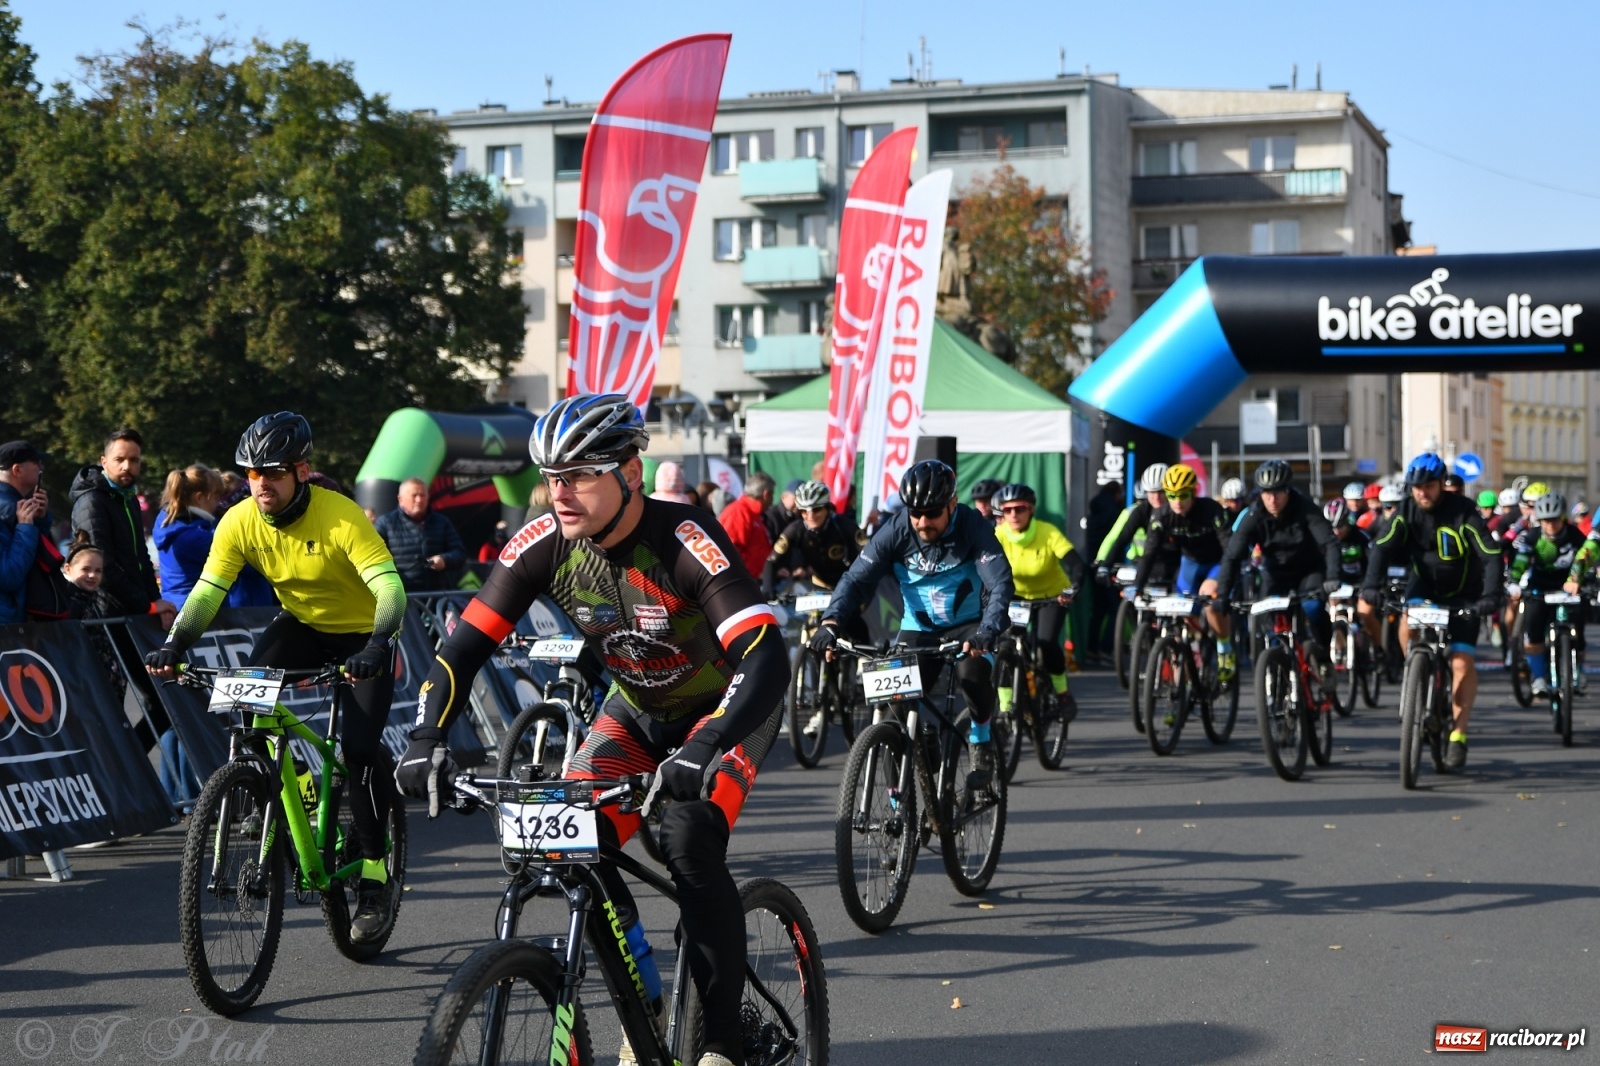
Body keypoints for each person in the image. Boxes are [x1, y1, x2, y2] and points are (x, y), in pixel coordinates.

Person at [395, 394, 787, 1066]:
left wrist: (703, 746)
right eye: (551, 477)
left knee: (689, 841)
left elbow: (766, 656)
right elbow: (461, 650)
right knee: (574, 840)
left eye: (578, 475)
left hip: (721, 715)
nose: (559, 493)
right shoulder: (543, 543)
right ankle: (648, 1014)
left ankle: (720, 1041)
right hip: (635, 707)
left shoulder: (684, 538)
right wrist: (426, 739)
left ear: (630, 473)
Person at [145, 411, 406, 943]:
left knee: (358, 752)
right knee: (250, 701)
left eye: (273, 472)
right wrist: (176, 644)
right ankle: (289, 795)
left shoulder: (340, 516)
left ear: (301, 471)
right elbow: (210, 590)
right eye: (252, 473)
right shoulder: (238, 519)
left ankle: (375, 876)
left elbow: (390, 589)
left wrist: (378, 645)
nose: (260, 483)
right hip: (303, 626)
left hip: (363, 634)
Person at [812, 459, 1014, 784]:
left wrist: (988, 631)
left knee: (972, 674)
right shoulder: (896, 529)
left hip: (970, 625)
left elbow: (999, 582)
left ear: (952, 504)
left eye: (932, 513)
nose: (922, 522)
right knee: (896, 703)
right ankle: (911, 765)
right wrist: (831, 621)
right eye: (915, 512)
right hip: (919, 628)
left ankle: (981, 737)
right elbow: (855, 580)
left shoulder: (972, 526)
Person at [1362, 452, 1501, 769]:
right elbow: (1382, 547)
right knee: (1406, 624)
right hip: (1424, 587)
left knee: (1462, 663)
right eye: (1416, 487)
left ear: (1441, 484)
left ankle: (1458, 735)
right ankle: (1416, 672)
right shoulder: (1406, 510)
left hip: (1465, 594)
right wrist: (1370, 586)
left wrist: (1491, 595)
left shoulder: (1463, 512)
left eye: (1428, 486)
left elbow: (1491, 555)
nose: (1422, 493)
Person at [1216, 460, 1341, 656]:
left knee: (1313, 607)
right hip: (1275, 573)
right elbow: (1232, 556)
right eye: (1267, 493)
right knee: (1267, 616)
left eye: (1278, 492)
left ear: (1288, 490)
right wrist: (1223, 594)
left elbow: (1329, 543)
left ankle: (1324, 655)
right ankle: (1276, 660)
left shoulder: (1306, 509)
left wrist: (1333, 576)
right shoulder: (1253, 515)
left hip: (1308, 570)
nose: (1272, 500)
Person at [69, 428, 176, 625]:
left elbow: (141, 558)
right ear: (104, 462)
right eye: (119, 459)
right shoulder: (91, 502)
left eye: (134, 460)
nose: (127, 466)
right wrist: (146, 605)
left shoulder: (128, 498)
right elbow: (103, 566)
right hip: (108, 616)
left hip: (134, 612)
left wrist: (155, 601)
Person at [1136, 465, 1235, 676]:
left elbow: (1230, 550)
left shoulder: (1211, 510)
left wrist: (1225, 585)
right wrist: (1138, 586)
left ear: (1194, 491)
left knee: (1209, 599)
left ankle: (1225, 649)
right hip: (1189, 565)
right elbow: (1149, 554)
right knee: (1179, 622)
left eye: (1183, 495)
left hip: (1215, 563)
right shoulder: (1162, 515)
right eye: (1171, 495)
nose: (1177, 501)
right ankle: (1181, 688)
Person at [992, 482, 1083, 709]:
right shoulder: (998, 534)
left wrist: (1072, 589)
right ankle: (1005, 708)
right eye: (1007, 510)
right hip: (1015, 599)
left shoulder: (1047, 532)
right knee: (1005, 647)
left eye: (1020, 508)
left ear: (1031, 509)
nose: (1013, 515)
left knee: (1046, 644)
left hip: (1051, 596)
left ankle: (1062, 692)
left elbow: (1076, 564)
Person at [1508, 492, 1596, 698]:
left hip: (1570, 586)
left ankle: (1578, 671)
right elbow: (1521, 559)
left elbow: (1589, 558)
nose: (1550, 525)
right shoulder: (1533, 537)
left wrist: (1589, 579)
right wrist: (1513, 580)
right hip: (1541, 587)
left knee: (1579, 630)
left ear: (1563, 518)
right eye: (1545, 521)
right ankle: (1538, 677)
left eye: (1554, 520)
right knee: (1534, 630)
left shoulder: (1575, 535)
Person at [152, 465, 227, 610]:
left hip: (178, 605)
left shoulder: (170, 525)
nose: (219, 504)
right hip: (198, 612)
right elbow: (246, 563)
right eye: (216, 497)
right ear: (200, 498)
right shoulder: (193, 538)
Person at [374, 478, 467, 593]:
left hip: (437, 596)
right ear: (400, 499)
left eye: (423, 495)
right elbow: (373, 558)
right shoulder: (385, 523)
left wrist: (444, 560)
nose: (419, 500)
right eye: (414, 495)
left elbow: (460, 554)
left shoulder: (442, 522)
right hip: (402, 596)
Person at [0, 440, 50, 624]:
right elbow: (8, 575)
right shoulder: (6, 510)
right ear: (17, 470)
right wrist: (26, 528)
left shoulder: (17, 507)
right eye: (36, 462)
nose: (41, 468)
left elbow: (36, 561)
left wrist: (41, 520)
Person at [1094, 463, 1168, 582]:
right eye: (1151, 492)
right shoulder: (1137, 511)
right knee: (1130, 595)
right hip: (1140, 561)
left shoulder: (1177, 510)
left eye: (1161, 492)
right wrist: (1103, 562)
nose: (1156, 497)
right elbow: (1118, 538)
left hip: (1171, 563)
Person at [717, 472, 774, 579]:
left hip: (752, 579)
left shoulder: (752, 513)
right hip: (744, 580)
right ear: (766, 494)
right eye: (772, 495)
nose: (772, 500)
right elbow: (732, 549)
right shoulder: (739, 512)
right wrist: (751, 574)